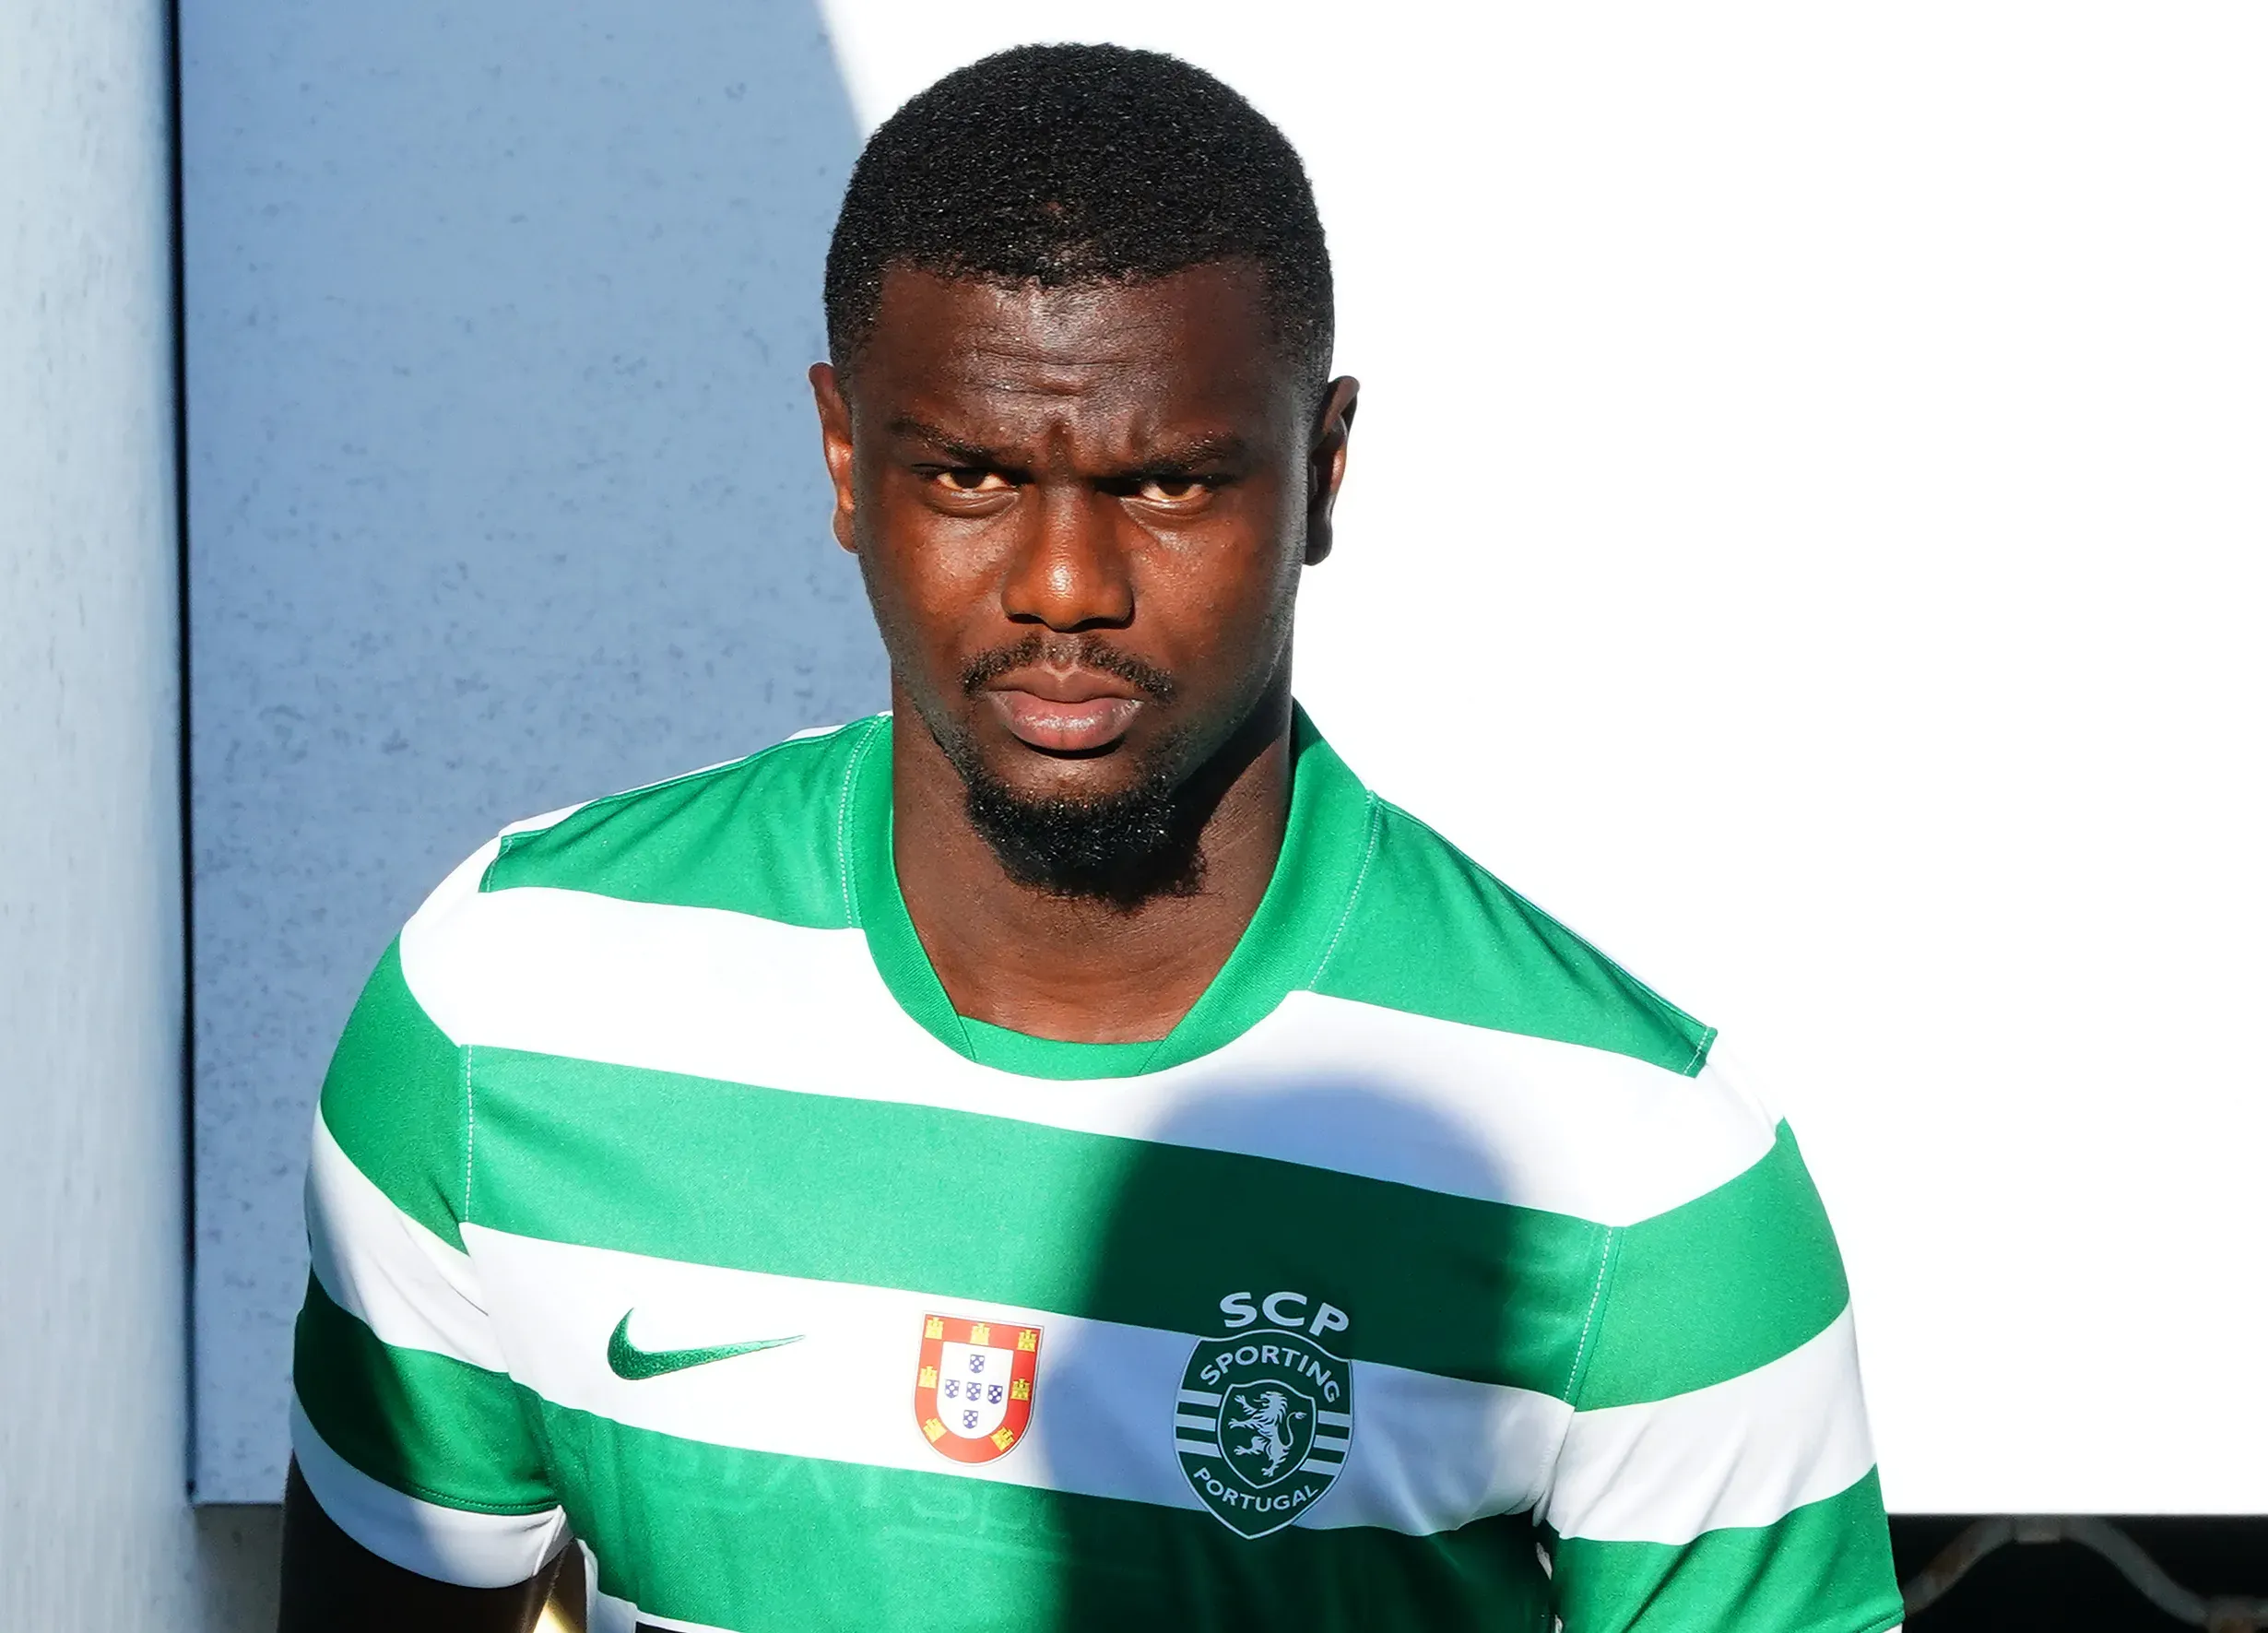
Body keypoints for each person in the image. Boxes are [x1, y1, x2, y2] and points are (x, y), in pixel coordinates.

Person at [278, 42, 1904, 1633]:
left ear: (1322, 471)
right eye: (972, 474)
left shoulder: (1638, 1167)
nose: (1066, 585)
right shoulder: (506, 1011)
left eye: (1172, 485)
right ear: (845, 457)